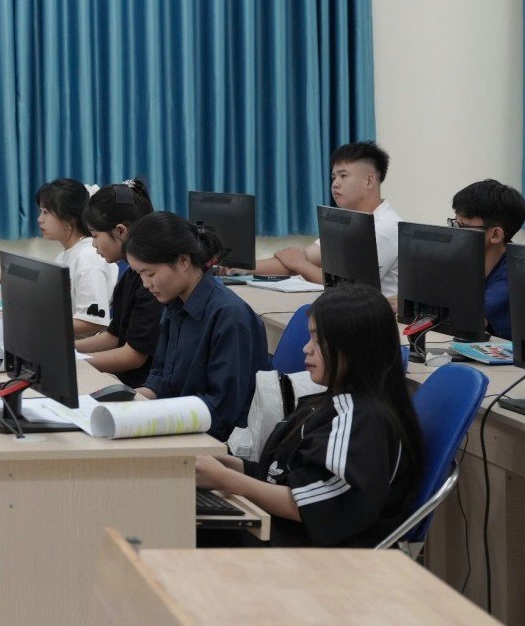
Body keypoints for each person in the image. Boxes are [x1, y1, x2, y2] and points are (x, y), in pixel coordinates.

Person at [194, 285, 424, 547]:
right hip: (283, 532)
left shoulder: (362, 420)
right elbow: (291, 475)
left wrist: (227, 480)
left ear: (355, 347)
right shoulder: (332, 401)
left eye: (318, 340)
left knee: (177, 526)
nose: (306, 349)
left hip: (309, 554)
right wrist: (227, 464)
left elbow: (315, 505)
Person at [127, 212, 269, 440]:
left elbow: (222, 411)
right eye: (140, 275)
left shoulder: (230, 316)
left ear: (183, 261)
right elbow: (163, 378)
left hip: (216, 442)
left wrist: (155, 416)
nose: (146, 284)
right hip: (181, 425)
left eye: (150, 273)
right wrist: (129, 400)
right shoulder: (174, 305)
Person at [244, 141, 403, 298]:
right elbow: (299, 258)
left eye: (343, 176)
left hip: (374, 319)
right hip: (346, 310)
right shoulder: (344, 221)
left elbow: (350, 287)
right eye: (333, 177)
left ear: (369, 181)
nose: (335, 184)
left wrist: (300, 265)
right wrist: (241, 268)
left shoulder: (385, 228)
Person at [0, 178, 118, 336]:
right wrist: (1, 276)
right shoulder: (66, 255)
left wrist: (35, 327)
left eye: (45, 212)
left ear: (68, 220)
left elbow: (93, 322)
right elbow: (45, 288)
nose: (40, 219)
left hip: (82, 351)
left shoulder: (88, 257)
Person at [75, 180, 160, 388]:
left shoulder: (151, 284)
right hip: (121, 380)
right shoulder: (130, 274)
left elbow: (133, 357)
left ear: (121, 231)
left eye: (95, 236)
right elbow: (113, 337)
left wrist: (73, 364)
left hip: (141, 388)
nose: (93, 245)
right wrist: (68, 350)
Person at [450, 179, 525, 339]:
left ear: (495, 235)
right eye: (454, 223)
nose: (455, 233)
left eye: (463, 226)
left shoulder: (515, 274)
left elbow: (469, 320)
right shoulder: (464, 263)